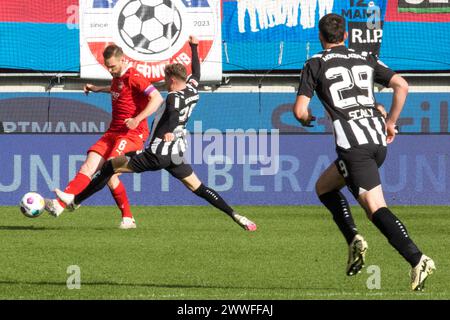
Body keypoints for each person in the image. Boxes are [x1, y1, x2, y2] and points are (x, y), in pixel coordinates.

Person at [52, 36, 257, 232]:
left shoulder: (172, 97)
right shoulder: (193, 89)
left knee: (109, 167)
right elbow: (197, 72)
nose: (166, 83)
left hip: (157, 154)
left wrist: (168, 130)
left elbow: (173, 112)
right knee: (199, 188)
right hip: (176, 154)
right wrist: (194, 48)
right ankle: (235, 215)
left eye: (167, 79)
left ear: (173, 79)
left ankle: (75, 200)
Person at [293, 13, 435, 291]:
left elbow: (299, 110)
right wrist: (391, 123)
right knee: (324, 187)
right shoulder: (365, 57)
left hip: (353, 146)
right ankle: (353, 239)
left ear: (320, 37)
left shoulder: (314, 63)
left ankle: (418, 259)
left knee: (375, 208)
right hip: (376, 139)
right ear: (345, 36)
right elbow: (402, 85)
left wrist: (304, 118)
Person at [45, 44, 164, 229]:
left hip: (132, 134)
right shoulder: (117, 77)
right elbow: (117, 90)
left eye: (113, 66)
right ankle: (127, 218)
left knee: (108, 168)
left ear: (123, 59)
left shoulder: (135, 76)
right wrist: (96, 88)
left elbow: (157, 98)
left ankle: (67, 201)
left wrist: (137, 119)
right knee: (92, 165)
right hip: (113, 132)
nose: (110, 69)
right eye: (107, 66)